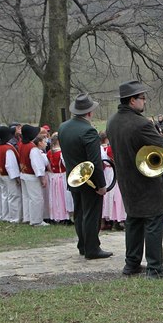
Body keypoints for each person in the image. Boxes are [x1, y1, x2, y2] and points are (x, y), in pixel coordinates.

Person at [107, 80, 163, 279]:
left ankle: (131, 264)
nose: (144, 102)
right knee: (154, 221)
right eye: (142, 98)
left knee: (133, 222)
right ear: (132, 100)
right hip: (146, 182)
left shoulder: (112, 122)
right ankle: (155, 268)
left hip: (126, 181)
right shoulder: (140, 123)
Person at [58, 94, 111, 258]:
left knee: (80, 213)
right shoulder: (88, 131)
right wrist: (101, 185)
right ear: (89, 113)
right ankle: (92, 248)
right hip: (89, 180)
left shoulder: (63, 127)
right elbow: (94, 161)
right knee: (92, 214)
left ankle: (82, 245)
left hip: (72, 177)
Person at [19, 125, 48, 227]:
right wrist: (42, 177)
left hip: (23, 173)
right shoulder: (32, 148)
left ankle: (27, 217)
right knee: (36, 198)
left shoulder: (22, 144)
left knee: (27, 197)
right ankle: (36, 220)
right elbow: (37, 165)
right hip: (32, 175)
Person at [46, 133, 71, 224]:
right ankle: (64, 216)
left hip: (54, 176)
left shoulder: (49, 152)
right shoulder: (61, 153)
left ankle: (56, 216)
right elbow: (66, 165)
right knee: (62, 196)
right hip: (62, 176)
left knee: (55, 196)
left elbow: (48, 164)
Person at [0, 126, 22, 223]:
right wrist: (16, 177)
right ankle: (14, 218)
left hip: (1, 174)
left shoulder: (0, 147)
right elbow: (10, 165)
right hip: (9, 175)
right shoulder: (8, 149)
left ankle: (5, 215)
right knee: (13, 196)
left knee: (4, 195)